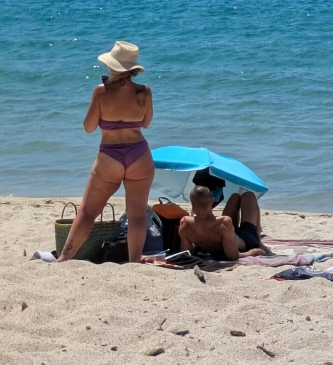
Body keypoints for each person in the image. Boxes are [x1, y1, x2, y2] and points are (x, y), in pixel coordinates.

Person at [57, 41, 154, 263]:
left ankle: (64, 258)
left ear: (113, 66)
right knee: (137, 215)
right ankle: (134, 262)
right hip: (139, 154)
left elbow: (89, 127)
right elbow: (146, 123)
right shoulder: (144, 92)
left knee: (88, 213)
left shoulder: (101, 92)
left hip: (110, 155)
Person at [177, 185, 270, 260]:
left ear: (192, 203)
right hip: (245, 240)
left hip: (226, 233)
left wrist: (201, 244)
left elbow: (187, 253)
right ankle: (259, 240)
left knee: (235, 197)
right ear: (212, 201)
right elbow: (233, 256)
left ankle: (239, 194)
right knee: (249, 195)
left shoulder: (185, 223)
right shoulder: (224, 223)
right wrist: (253, 252)